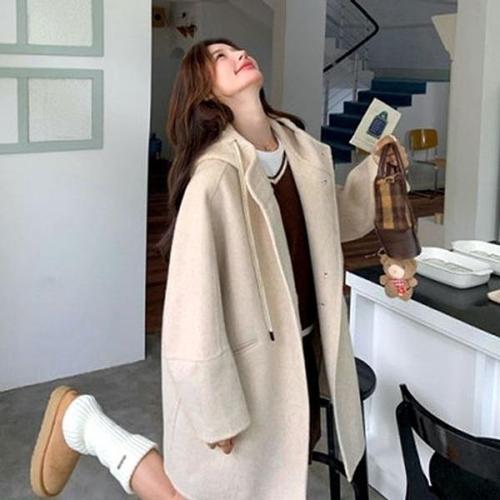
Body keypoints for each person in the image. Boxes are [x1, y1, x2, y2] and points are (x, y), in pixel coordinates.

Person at [30, 37, 408, 499]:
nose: (239, 56)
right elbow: (191, 311)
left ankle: (87, 425)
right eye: (220, 58)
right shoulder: (213, 178)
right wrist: (215, 410)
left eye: (237, 50)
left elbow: (335, 222)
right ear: (205, 91)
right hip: (244, 375)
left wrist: (376, 171)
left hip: (298, 362)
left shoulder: (301, 150)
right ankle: (88, 427)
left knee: (262, 484)